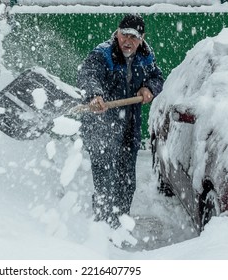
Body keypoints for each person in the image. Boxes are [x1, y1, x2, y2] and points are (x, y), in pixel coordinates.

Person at [77, 14, 164, 229]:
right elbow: (88, 74)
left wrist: (149, 88)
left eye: (134, 37)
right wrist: (95, 95)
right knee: (105, 185)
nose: (128, 41)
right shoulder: (103, 53)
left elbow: (157, 77)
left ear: (141, 39)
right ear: (117, 33)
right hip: (101, 128)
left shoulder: (145, 56)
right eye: (124, 35)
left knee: (126, 185)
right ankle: (101, 231)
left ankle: (119, 228)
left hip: (128, 128)